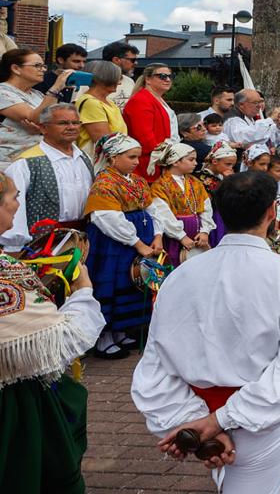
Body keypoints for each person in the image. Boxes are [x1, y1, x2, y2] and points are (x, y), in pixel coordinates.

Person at [132, 170, 280, 494]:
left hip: (201, 411)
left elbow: (156, 364)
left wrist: (195, 421)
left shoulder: (181, 275)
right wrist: (213, 423)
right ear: (272, 212)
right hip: (257, 420)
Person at [0, 171, 104, 494]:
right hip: (12, 406)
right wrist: (82, 293)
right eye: (14, 197)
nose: (18, 205)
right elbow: (61, 341)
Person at [83, 133, 160, 359]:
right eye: (131, 157)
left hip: (137, 241)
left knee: (132, 281)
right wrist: (136, 243)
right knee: (112, 283)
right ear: (113, 158)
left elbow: (152, 208)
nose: (137, 162)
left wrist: (157, 235)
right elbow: (106, 218)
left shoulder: (136, 180)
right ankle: (105, 336)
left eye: (137, 157)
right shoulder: (105, 183)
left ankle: (122, 330)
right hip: (114, 244)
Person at [0, 103, 93, 252]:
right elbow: (14, 208)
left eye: (75, 123)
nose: (71, 127)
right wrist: (14, 247)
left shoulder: (84, 158)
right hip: (41, 244)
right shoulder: (26, 163)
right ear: (43, 128)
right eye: (63, 123)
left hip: (81, 240)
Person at [0, 47, 72, 169]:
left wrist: (42, 128)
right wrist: (56, 88)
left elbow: (56, 121)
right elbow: (35, 118)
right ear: (16, 68)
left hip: (40, 160)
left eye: (44, 66)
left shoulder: (37, 94)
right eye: (37, 65)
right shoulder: (3, 91)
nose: (43, 70)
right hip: (12, 163)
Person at [146, 140, 214, 268]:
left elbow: (206, 207)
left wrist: (205, 231)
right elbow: (163, 214)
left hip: (197, 233)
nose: (195, 163)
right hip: (174, 236)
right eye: (191, 159)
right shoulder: (160, 186)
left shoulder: (195, 182)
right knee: (175, 264)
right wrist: (181, 236)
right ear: (175, 162)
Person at [122, 63, 178, 178]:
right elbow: (145, 138)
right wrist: (166, 158)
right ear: (148, 79)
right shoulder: (141, 100)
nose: (167, 79)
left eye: (170, 76)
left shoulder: (158, 99)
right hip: (148, 165)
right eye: (162, 76)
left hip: (162, 161)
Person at [74, 60, 127, 158]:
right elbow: (104, 142)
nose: (119, 83)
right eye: (116, 78)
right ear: (102, 79)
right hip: (98, 163)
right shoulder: (91, 103)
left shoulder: (109, 103)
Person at [221, 89, 280, 163]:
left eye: (260, 102)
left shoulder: (250, 116)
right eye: (255, 103)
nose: (259, 106)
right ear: (241, 104)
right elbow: (246, 138)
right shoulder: (232, 120)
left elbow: (266, 140)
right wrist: (270, 119)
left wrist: (278, 128)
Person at [98, 41, 139, 110]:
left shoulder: (130, 81)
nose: (136, 63)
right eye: (132, 60)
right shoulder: (91, 82)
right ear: (116, 60)